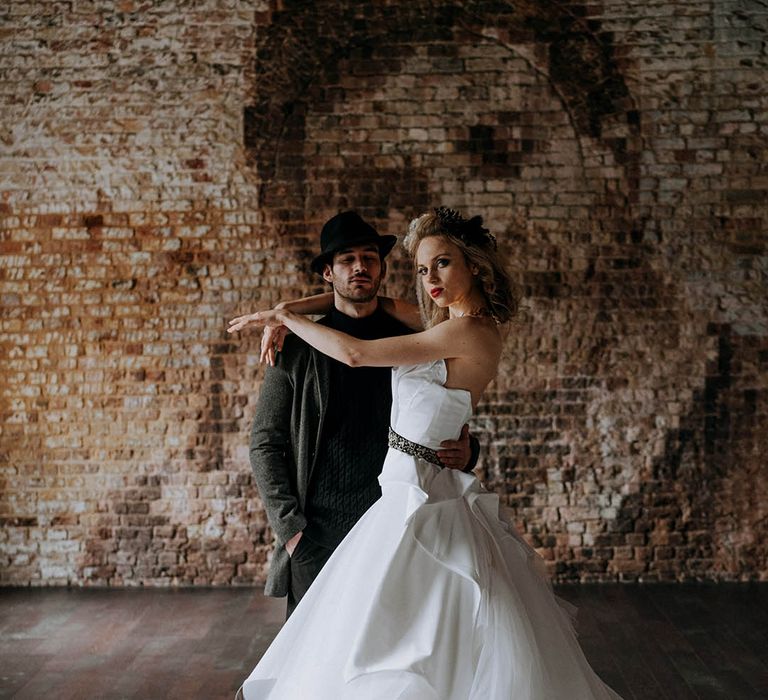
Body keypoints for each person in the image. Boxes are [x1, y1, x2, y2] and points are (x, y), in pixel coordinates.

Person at [228, 208, 622, 700]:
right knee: (365, 641)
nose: (428, 279)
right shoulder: (439, 318)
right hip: (384, 497)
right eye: (420, 269)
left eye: (441, 264)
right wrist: (286, 308)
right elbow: (367, 301)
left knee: (400, 642)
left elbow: (356, 353)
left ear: (474, 265)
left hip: (418, 499)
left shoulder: (466, 330)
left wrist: (284, 316)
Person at [243, 210, 477, 618]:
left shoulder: (412, 340)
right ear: (328, 273)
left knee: (390, 654)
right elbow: (265, 441)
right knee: (313, 663)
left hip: (397, 523)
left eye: (369, 258)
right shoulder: (297, 349)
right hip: (317, 533)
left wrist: (467, 449)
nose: (359, 267)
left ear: (382, 269)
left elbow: (443, 407)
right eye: (346, 259)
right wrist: (291, 530)